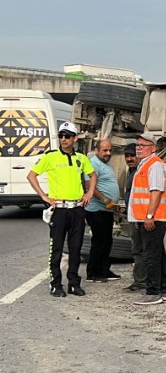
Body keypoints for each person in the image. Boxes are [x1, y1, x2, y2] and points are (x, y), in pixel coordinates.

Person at [27, 122, 96, 297]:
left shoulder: (81, 158)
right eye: (61, 136)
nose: (63, 139)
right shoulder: (50, 157)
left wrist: (89, 193)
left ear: (74, 138)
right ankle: (55, 284)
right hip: (59, 210)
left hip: (77, 210)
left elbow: (93, 175)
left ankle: (73, 283)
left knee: (76, 248)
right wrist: (44, 196)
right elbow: (31, 175)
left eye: (67, 136)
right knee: (56, 248)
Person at [130, 133, 166, 305]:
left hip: (153, 218)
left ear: (153, 148)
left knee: (151, 256)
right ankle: (164, 288)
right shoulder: (148, 164)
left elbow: (156, 191)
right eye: (138, 145)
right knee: (158, 254)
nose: (139, 148)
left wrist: (149, 216)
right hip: (153, 218)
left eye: (143, 145)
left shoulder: (154, 165)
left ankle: (153, 292)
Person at [84, 140, 122, 283]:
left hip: (106, 210)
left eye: (109, 150)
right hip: (96, 210)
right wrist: (106, 200)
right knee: (99, 241)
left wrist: (113, 204)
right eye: (105, 150)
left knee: (107, 241)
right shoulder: (93, 164)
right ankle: (92, 272)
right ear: (96, 150)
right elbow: (89, 186)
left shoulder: (105, 165)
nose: (108, 153)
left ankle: (104, 270)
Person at [122, 142, 147, 292]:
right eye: (127, 156)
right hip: (134, 216)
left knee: (139, 250)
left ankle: (141, 282)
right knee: (138, 249)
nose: (129, 159)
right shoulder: (132, 172)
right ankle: (141, 280)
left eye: (132, 156)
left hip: (139, 218)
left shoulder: (140, 172)